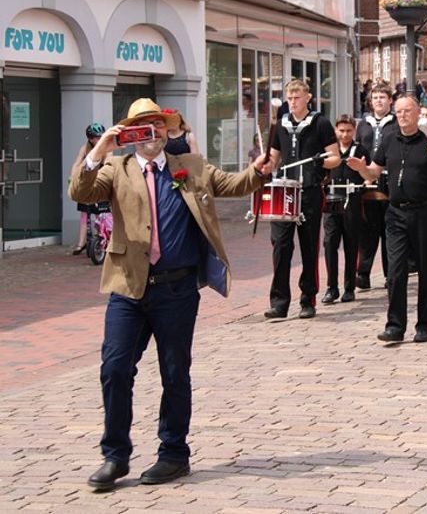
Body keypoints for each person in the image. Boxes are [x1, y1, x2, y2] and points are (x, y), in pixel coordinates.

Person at [69, 98, 272, 491]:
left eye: (158, 125)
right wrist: (100, 149)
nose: (153, 132)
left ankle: (174, 455)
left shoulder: (188, 168)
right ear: (129, 134)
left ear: (167, 131)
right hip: (128, 288)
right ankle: (115, 456)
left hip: (177, 290)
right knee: (114, 370)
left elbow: (234, 184)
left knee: (175, 373)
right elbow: (81, 189)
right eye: (143, 127)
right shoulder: (117, 167)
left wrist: (258, 170)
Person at [347, 96, 427, 343]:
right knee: (396, 270)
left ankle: (425, 325)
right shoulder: (389, 138)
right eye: (398, 111)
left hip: (426, 212)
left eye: (407, 111)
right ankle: (395, 326)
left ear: (417, 113)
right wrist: (360, 168)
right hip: (396, 212)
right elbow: (373, 172)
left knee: (426, 269)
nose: (402, 115)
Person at [264, 79, 339, 320]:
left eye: (297, 97)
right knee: (281, 246)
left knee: (309, 246)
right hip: (285, 191)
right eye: (289, 98)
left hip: (309, 190)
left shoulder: (321, 123)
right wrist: (261, 167)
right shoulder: (280, 123)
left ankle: (308, 299)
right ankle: (279, 302)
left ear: (308, 98)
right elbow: (274, 158)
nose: (293, 102)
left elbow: (335, 158)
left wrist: (321, 162)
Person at [320, 115, 369, 305]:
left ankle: (349, 288)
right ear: (335, 130)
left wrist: (365, 183)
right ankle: (332, 288)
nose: (345, 134)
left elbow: (369, 172)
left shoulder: (360, 150)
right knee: (330, 243)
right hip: (332, 201)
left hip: (352, 200)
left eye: (349, 130)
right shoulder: (329, 151)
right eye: (341, 130)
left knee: (351, 244)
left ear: (354, 131)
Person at [355, 83, 397, 290]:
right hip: (368, 182)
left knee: (389, 228)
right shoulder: (363, 124)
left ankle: (391, 274)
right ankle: (363, 273)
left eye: (383, 97)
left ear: (390, 100)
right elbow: (358, 148)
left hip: (390, 181)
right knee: (368, 229)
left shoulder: (396, 123)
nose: (379, 100)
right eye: (375, 97)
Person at [70, 123, 110, 255]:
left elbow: (108, 166)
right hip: (87, 184)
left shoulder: (106, 149)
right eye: (96, 137)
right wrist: (73, 176)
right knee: (84, 214)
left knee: (101, 213)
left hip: (98, 184)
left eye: (101, 137)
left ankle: (101, 239)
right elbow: (77, 164)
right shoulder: (85, 149)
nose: (99, 139)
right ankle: (81, 242)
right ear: (91, 139)